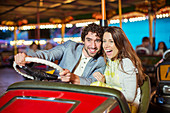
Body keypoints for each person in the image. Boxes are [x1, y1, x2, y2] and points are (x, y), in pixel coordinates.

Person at [14, 23, 106, 85]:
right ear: (83, 40)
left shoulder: (101, 61)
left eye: (97, 41)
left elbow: (93, 82)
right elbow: (48, 54)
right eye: (89, 40)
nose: (93, 46)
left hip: (80, 97)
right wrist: (28, 58)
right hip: (58, 90)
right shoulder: (69, 46)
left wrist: (73, 78)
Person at [91, 26, 146, 113]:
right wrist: (103, 82)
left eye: (111, 41)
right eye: (104, 41)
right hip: (112, 103)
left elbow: (130, 97)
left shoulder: (126, 63)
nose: (106, 45)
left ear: (120, 43)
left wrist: (102, 86)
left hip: (127, 107)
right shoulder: (109, 61)